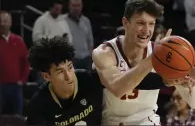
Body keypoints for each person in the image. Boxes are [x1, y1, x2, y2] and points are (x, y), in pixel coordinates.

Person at [92, 0, 195, 125]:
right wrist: (154, 58)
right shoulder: (105, 53)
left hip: (147, 121)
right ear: (125, 23)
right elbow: (118, 88)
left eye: (151, 23)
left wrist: (194, 85)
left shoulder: (163, 54)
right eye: (140, 23)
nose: (147, 30)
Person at [25, 36, 167, 125]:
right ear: (46, 76)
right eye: (60, 72)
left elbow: (129, 80)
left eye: (69, 67)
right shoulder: (39, 105)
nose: (69, 76)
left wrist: (166, 80)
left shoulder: (87, 80)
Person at [0, 11, 30, 115]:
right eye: (0, 21)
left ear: (10, 23)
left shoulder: (18, 40)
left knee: (16, 117)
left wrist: (23, 80)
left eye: (5, 21)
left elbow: (26, 62)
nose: (2, 24)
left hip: (15, 86)